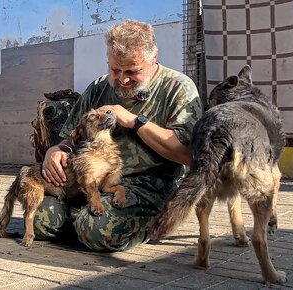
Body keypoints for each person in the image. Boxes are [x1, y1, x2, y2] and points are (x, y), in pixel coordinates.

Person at [33, 19, 203, 251]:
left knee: (96, 228)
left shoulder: (178, 88)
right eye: (115, 70)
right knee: (39, 219)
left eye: (132, 72)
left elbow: (187, 155)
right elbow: (70, 139)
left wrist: (134, 121)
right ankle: (86, 225)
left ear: (153, 58)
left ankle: (149, 225)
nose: (122, 80)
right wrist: (57, 150)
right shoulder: (99, 87)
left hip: (146, 188)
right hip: (92, 183)